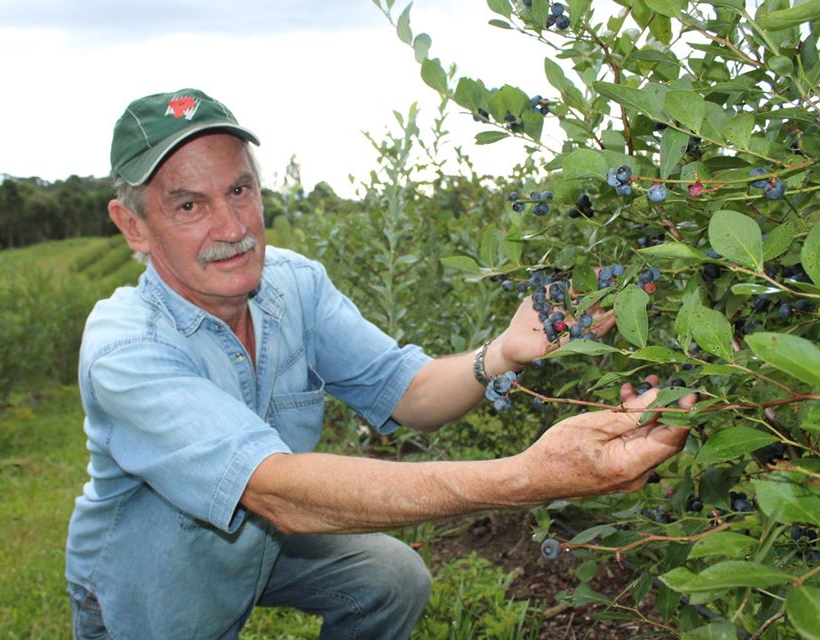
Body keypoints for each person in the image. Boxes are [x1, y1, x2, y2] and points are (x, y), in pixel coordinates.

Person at [65, 88, 694, 640]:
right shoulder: (126, 350)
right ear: (134, 226)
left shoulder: (293, 285)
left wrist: (500, 354)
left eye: (239, 189)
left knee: (390, 578)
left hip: (268, 543)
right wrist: (528, 477)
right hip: (158, 581)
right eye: (188, 206)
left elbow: (408, 391)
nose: (232, 226)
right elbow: (276, 491)